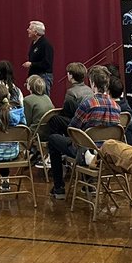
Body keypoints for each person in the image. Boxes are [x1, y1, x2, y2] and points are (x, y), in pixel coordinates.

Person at [47, 66, 123, 199]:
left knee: (53, 139)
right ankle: (89, 184)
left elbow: (72, 129)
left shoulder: (88, 104)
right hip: (107, 153)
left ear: (92, 83)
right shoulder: (117, 107)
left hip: (85, 151)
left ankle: (59, 188)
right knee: (88, 141)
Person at [46, 63, 93, 135]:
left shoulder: (71, 92)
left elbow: (66, 112)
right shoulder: (90, 89)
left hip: (79, 125)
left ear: (70, 76)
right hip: (89, 122)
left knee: (54, 119)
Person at [23, 20, 55, 95]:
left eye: (30, 29)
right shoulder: (34, 43)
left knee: (43, 97)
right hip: (34, 76)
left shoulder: (46, 45)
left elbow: (47, 64)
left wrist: (31, 64)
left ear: (36, 32)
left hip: (43, 77)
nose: (27, 30)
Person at [22, 74, 55, 141]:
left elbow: (26, 122)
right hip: (49, 131)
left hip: (35, 133)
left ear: (30, 86)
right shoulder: (47, 97)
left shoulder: (27, 100)